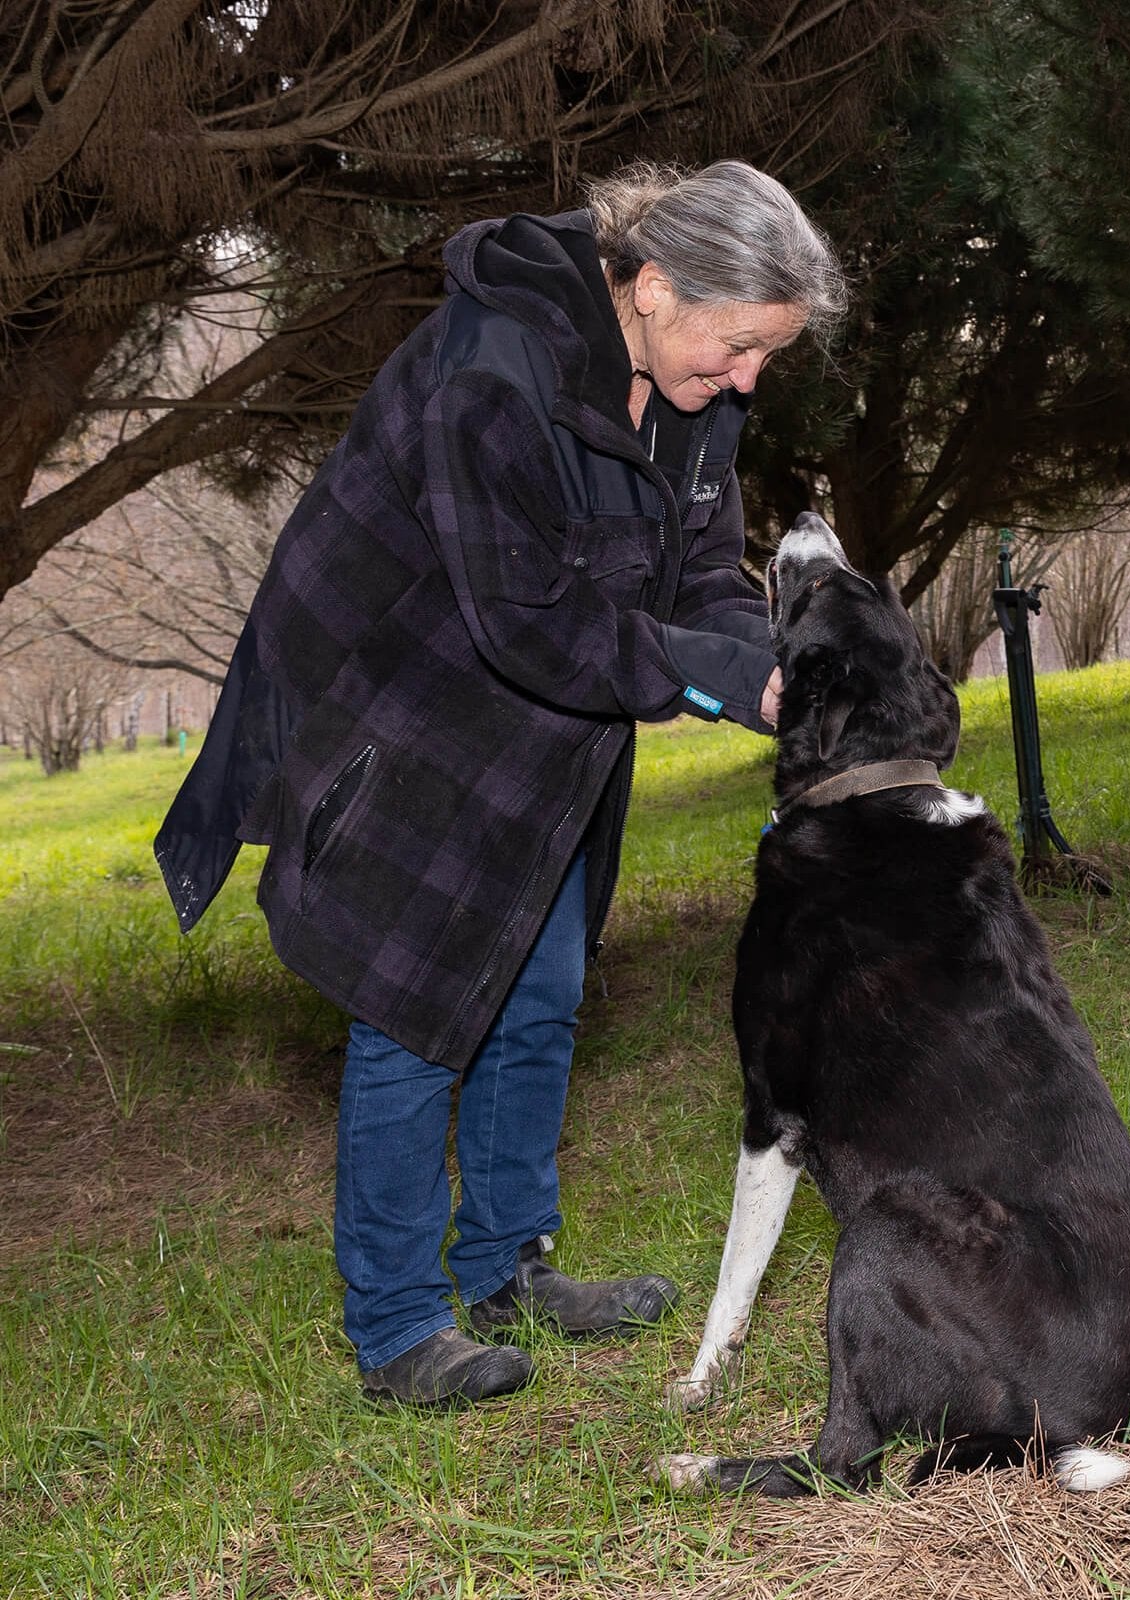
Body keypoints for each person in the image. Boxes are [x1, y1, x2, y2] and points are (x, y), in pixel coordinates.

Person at [156, 161, 846, 1403]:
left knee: (542, 995)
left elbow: (693, 586)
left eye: (767, 357)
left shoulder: (696, 393)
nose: (748, 380)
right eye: (740, 345)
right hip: (411, 708)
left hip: (557, 728)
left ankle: (509, 1262)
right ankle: (398, 1328)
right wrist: (723, 684)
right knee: (415, 1008)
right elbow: (526, 619)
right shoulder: (492, 370)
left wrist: (777, 667)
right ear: (650, 285)